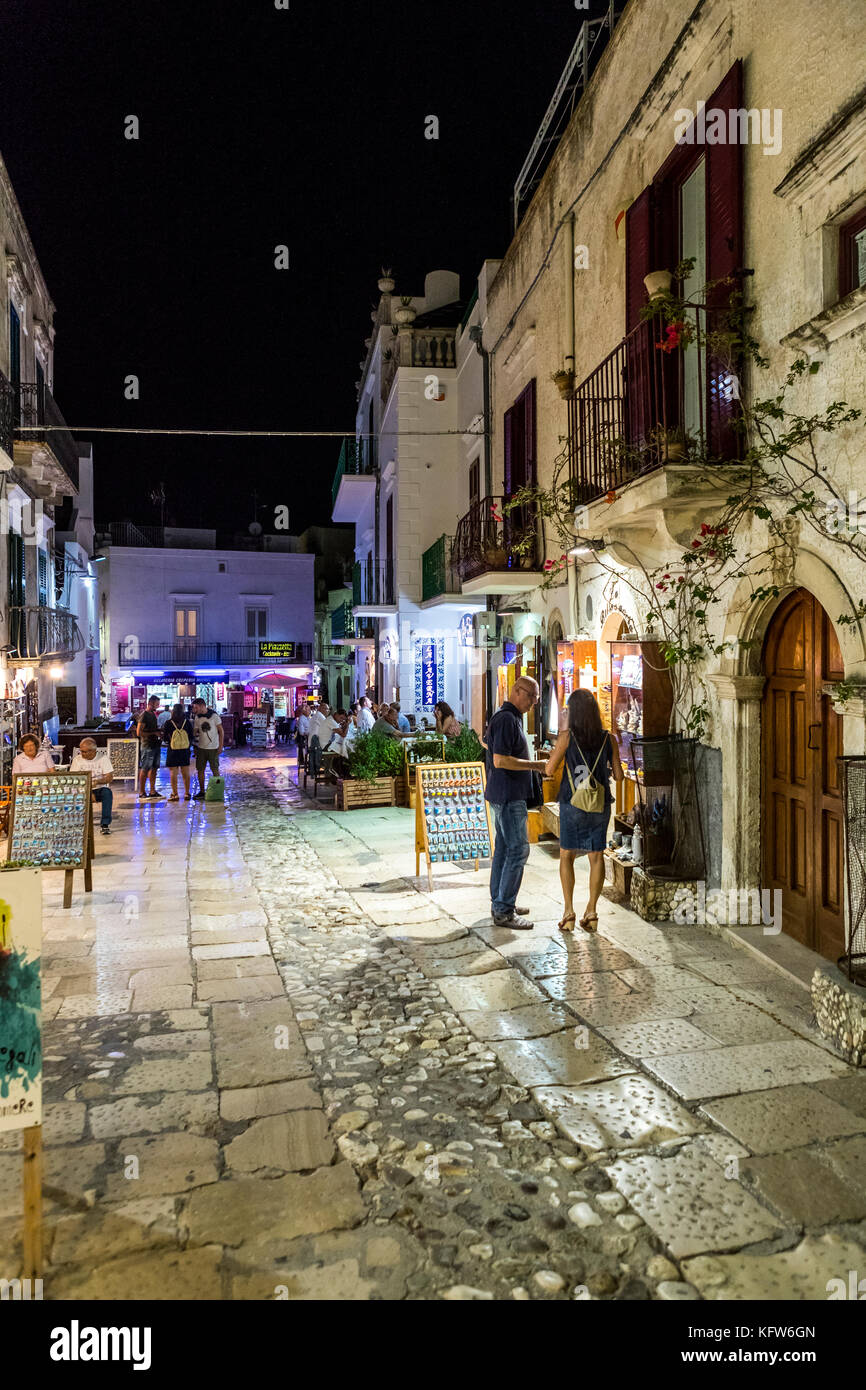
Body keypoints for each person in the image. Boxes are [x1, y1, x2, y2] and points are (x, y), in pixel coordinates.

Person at [545, 688, 623, 932]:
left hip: (572, 802)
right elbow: (619, 775)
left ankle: (568, 912)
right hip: (599, 804)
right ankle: (591, 910)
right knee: (596, 856)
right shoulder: (609, 739)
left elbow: (548, 769)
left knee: (566, 855)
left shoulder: (567, 737)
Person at [484, 677, 547, 930]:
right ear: (518, 692)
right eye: (531, 696)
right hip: (509, 797)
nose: (534, 702)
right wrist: (536, 765)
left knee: (504, 848)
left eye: (536, 698)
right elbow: (501, 760)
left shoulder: (509, 718)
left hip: (505, 794)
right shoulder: (507, 719)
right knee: (518, 850)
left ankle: (501, 902)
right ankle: (504, 910)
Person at [70, 738, 114, 835]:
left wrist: (97, 781)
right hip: (82, 789)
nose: (82, 754)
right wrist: (88, 791)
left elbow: (109, 777)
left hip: (98, 788)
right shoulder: (77, 760)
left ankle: (105, 824)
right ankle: (76, 822)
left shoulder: (103, 758)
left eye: (84, 752)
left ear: (93, 751)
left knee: (107, 793)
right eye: (81, 751)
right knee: (70, 794)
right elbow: (73, 780)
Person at [191, 697, 223, 798]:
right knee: (200, 770)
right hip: (201, 748)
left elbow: (221, 731)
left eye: (196, 708)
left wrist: (221, 745)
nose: (194, 710)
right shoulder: (197, 717)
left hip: (213, 748)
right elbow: (195, 731)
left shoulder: (214, 716)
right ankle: (202, 791)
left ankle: (218, 791)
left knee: (215, 769)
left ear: (201, 706)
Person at [163, 702, 195, 801]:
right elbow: (191, 736)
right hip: (184, 750)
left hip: (172, 750)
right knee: (186, 772)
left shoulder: (168, 723)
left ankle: (175, 794)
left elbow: (165, 737)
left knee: (173, 772)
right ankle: (186, 793)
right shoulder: (187, 722)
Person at [137, 695, 163, 799]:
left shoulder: (153, 714)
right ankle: (142, 792)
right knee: (145, 768)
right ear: (151, 703)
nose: (158, 706)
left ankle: (152, 790)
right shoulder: (144, 715)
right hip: (147, 745)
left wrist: (158, 731)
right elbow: (139, 732)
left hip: (155, 745)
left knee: (154, 768)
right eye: (156, 704)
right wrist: (154, 733)